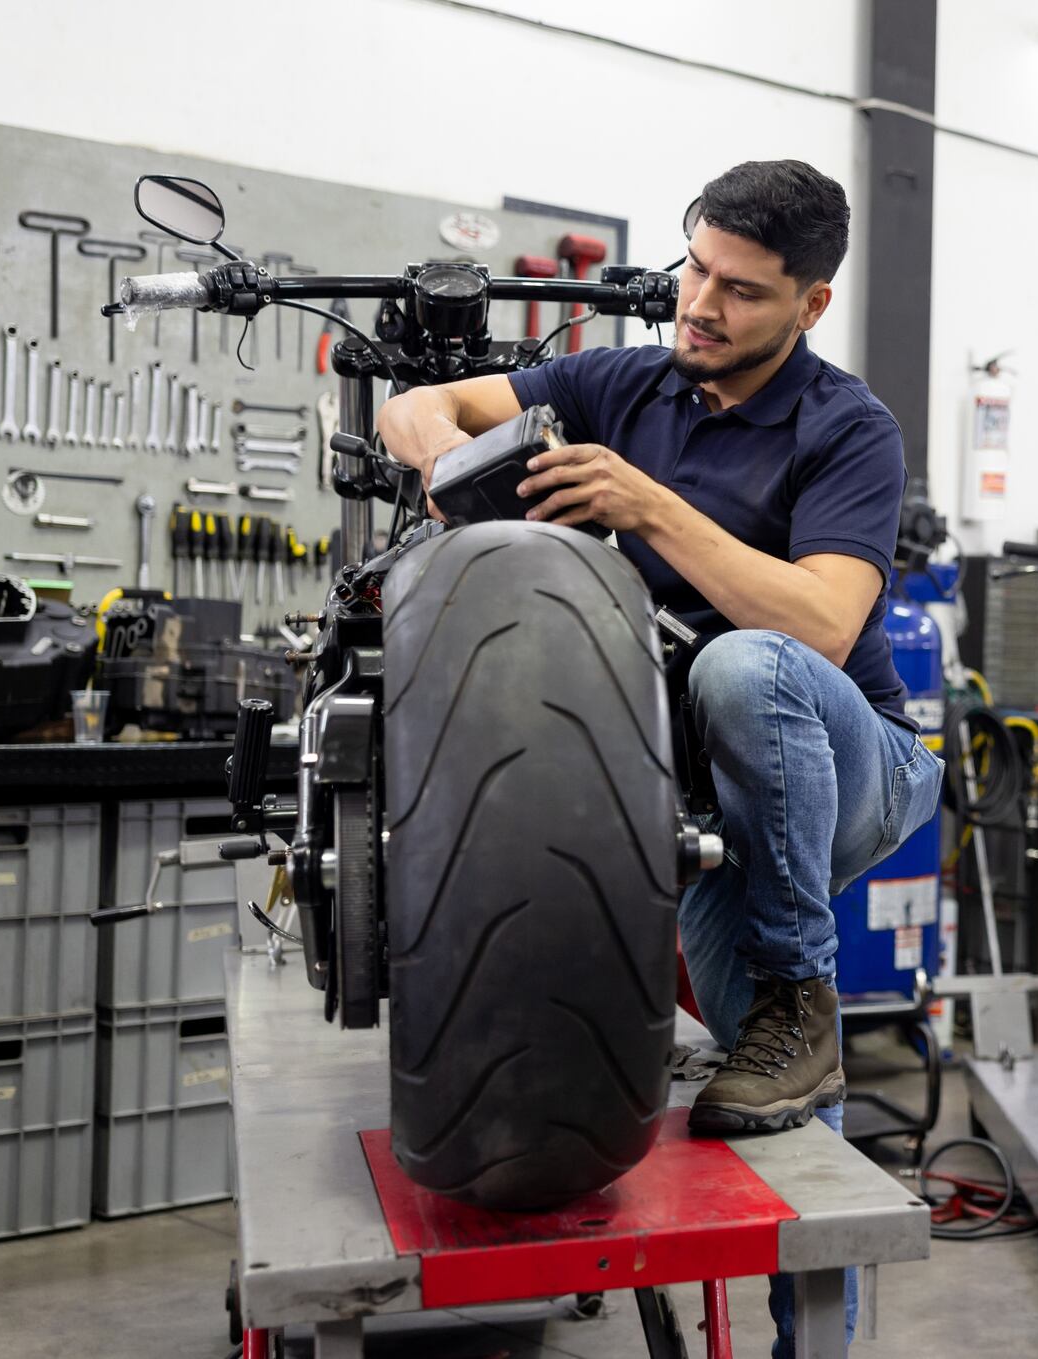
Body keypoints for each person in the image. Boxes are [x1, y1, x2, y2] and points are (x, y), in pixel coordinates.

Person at [377, 158, 939, 1356]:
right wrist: (443, 458)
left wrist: (647, 506)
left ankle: (801, 989)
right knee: (777, 1109)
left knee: (743, 666)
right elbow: (421, 407)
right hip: (714, 803)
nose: (698, 302)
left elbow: (822, 628)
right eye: (694, 267)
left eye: (739, 290)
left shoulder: (848, 429)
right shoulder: (616, 381)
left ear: (809, 305)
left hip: (856, 765)